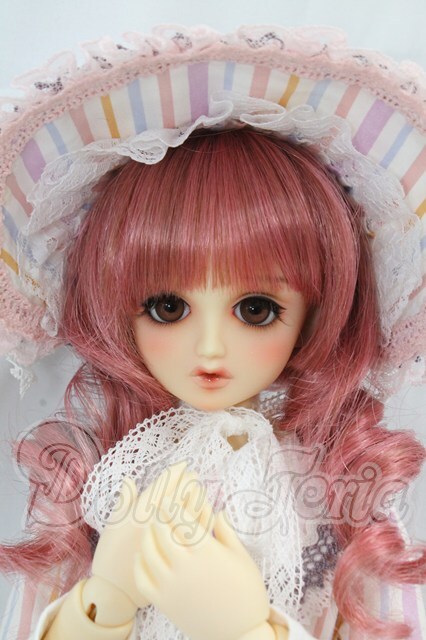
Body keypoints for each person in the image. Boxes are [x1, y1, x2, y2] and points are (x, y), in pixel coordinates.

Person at [0, 25, 425, 640]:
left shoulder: (333, 482)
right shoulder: (100, 470)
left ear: (316, 309)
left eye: (256, 310)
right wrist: (103, 602)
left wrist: (248, 628)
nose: (209, 349)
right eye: (168, 307)